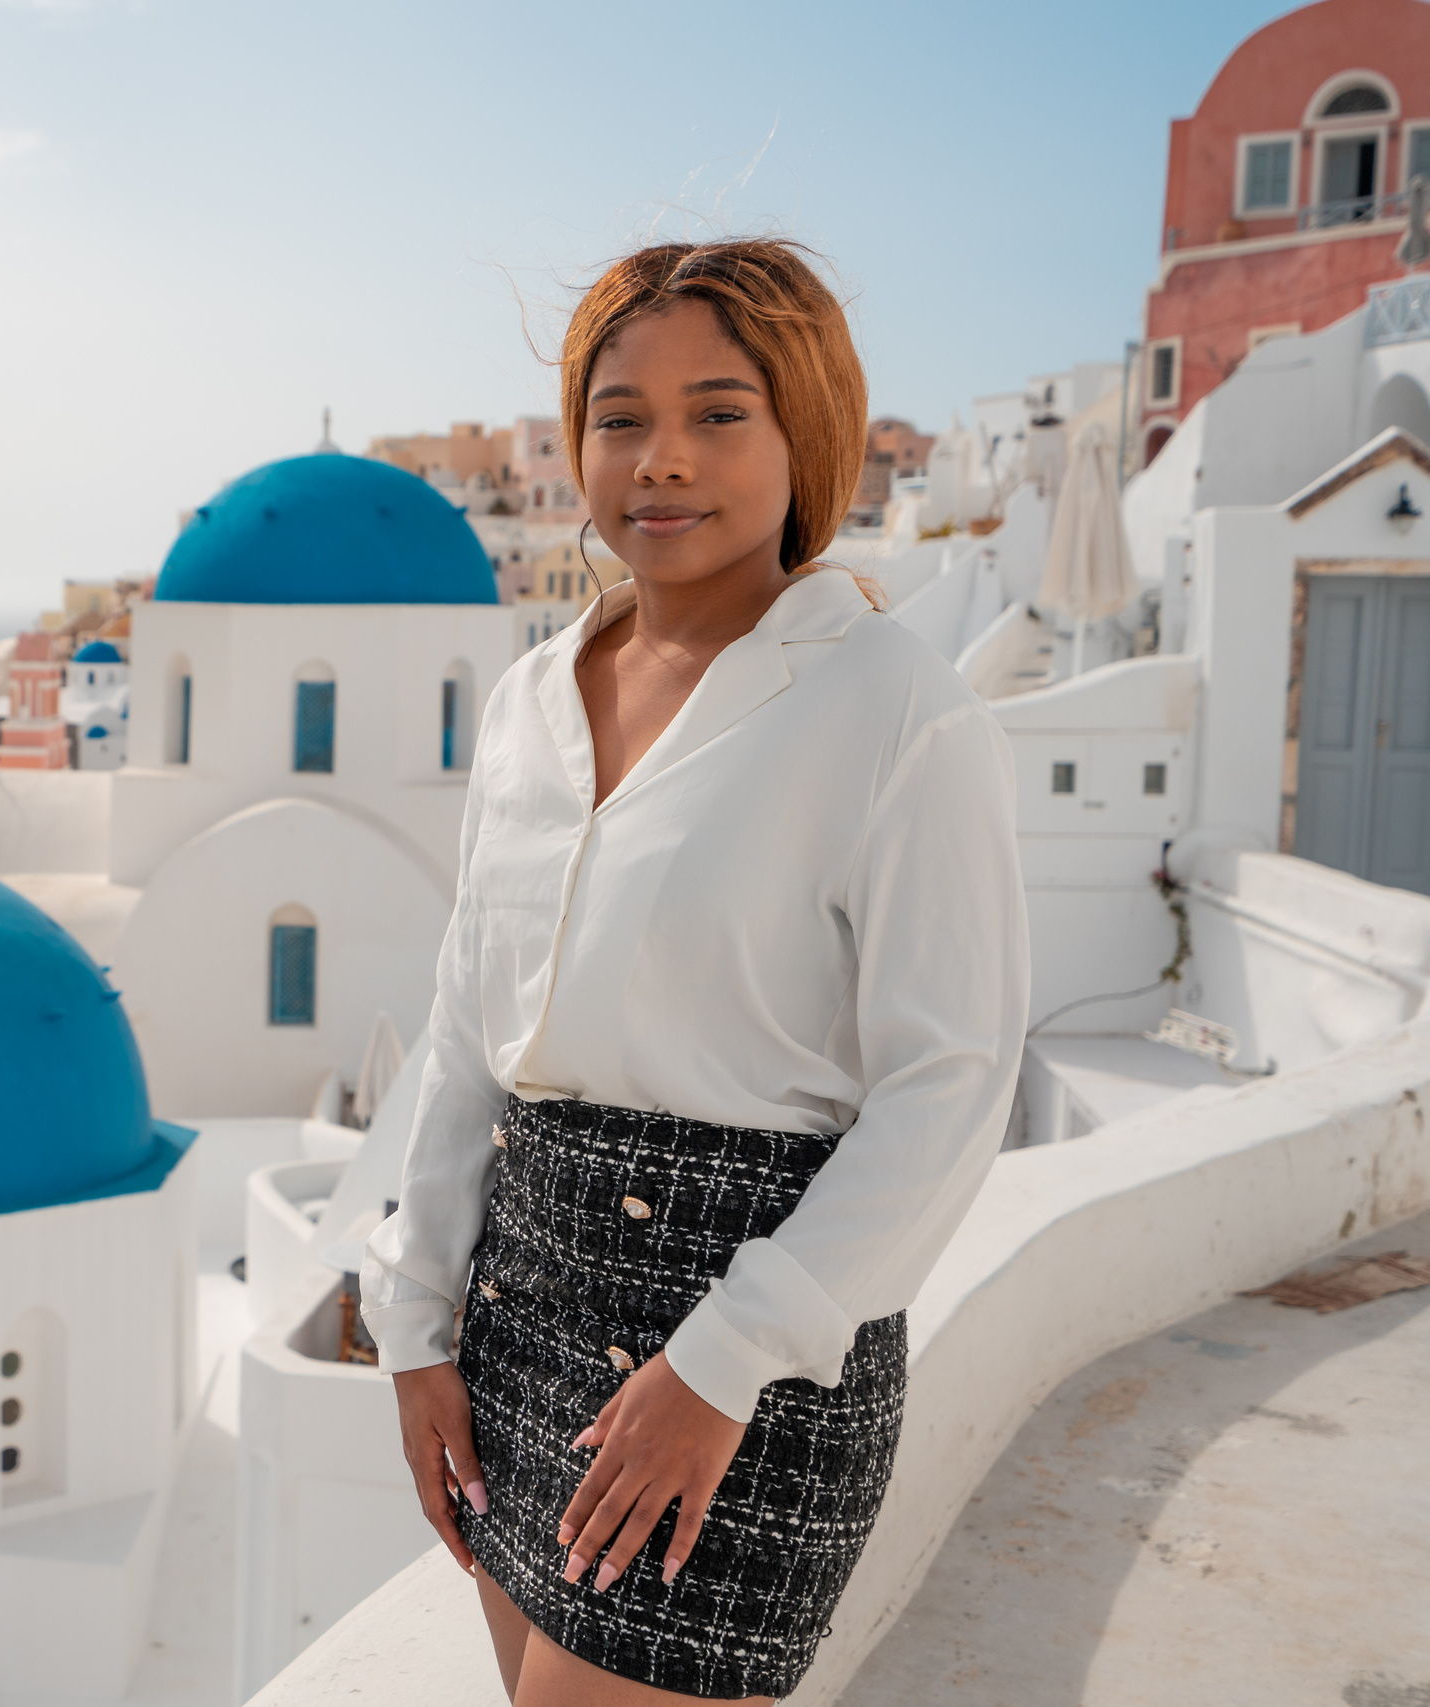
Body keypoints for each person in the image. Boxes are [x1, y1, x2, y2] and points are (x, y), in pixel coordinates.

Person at [362, 239, 1028, 1705]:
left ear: (807, 433)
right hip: (517, 1317)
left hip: (750, 1352)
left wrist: (724, 1362)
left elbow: (953, 1085)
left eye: (720, 413)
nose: (661, 460)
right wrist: (416, 1325)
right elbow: (470, 1034)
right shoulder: (534, 700)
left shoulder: (896, 711)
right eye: (620, 417)